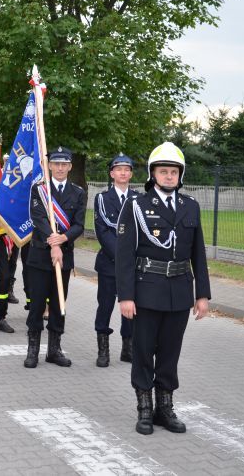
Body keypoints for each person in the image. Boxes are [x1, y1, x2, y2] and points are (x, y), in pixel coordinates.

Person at [116, 141, 211, 436]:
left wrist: (202, 294)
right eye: (163, 171)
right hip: (146, 291)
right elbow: (124, 255)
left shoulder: (190, 206)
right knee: (144, 352)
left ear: (180, 175)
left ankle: (164, 408)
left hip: (180, 292)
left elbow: (198, 253)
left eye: (174, 172)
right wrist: (126, 297)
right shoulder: (137, 206)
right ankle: (145, 409)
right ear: (152, 174)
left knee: (170, 354)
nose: (169, 176)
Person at [23, 147, 86, 369]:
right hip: (40, 256)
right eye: (56, 164)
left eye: (64, 164)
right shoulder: (39, 189)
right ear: (49, 166)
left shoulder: (78, 193)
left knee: (59, 303)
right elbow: (38, 218)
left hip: (64, 257)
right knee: (37, 303)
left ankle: (54, 350)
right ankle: (33, 350)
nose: (60, 168)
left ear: (69, 166)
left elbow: (79, 224)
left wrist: (63, 240)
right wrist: (53, 240)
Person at [94, 154, 139, 367]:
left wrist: (130, 261)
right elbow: (103, 232)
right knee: (105, 306)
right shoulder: (102, 199)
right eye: (118, 169)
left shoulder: (140, 199)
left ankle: (127, 348)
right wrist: (123, 258)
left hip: (133, 266)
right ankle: (103, 351)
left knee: (130, 306)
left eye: (126, 169)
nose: (123, 173)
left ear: (131, 173)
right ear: (112, 173)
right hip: (109, 263)